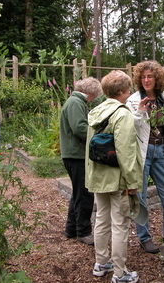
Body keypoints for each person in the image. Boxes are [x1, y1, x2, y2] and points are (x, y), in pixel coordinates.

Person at [86, 70, 143, 283]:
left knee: (101, 218)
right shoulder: (122, 113)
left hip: (99, 176)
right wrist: (132, 182)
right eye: (128, 88)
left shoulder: (96, 111)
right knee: (120, 224)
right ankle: (120, 274)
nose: (130, 92)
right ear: (120, 91)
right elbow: (126, 152)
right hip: (117, 178)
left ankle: (101, 263)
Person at [126, 60, 164, 254]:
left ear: (157, 78)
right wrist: (141, 111)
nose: (146, 80)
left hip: (160, 152)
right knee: (140, 196)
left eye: (150, 76)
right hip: (142, 153)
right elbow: (128, 126)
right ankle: (144, 238)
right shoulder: (134, 100)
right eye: (143, 77)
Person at [59, 77, 103, 245]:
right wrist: (98, 137)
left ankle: (71, 229)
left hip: (73, 154)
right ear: (90, 93)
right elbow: (80, 128)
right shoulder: (76, 103)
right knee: (85, 195)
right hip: (76, 155)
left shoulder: (73, 102)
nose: (94, 99)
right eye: (95, 96)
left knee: (78, 194)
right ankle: (83, 232)